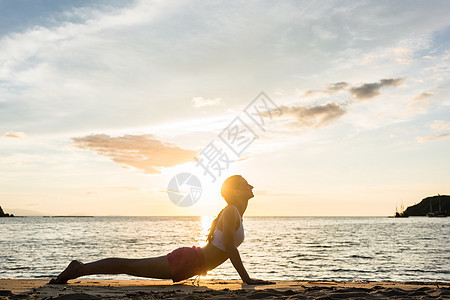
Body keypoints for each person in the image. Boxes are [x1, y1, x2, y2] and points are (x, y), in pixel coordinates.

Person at [50, 175, 273, 285]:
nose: (251, 186)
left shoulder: (235, 212)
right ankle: (76, 269)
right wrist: (247, 279)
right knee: (128, 266)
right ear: (234, 191)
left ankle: (78, 268)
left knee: (129, 266)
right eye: (245, 184)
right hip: (187, 261)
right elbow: (231, 249)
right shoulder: (231, 211)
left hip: (191, 264)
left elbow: (226, 248)